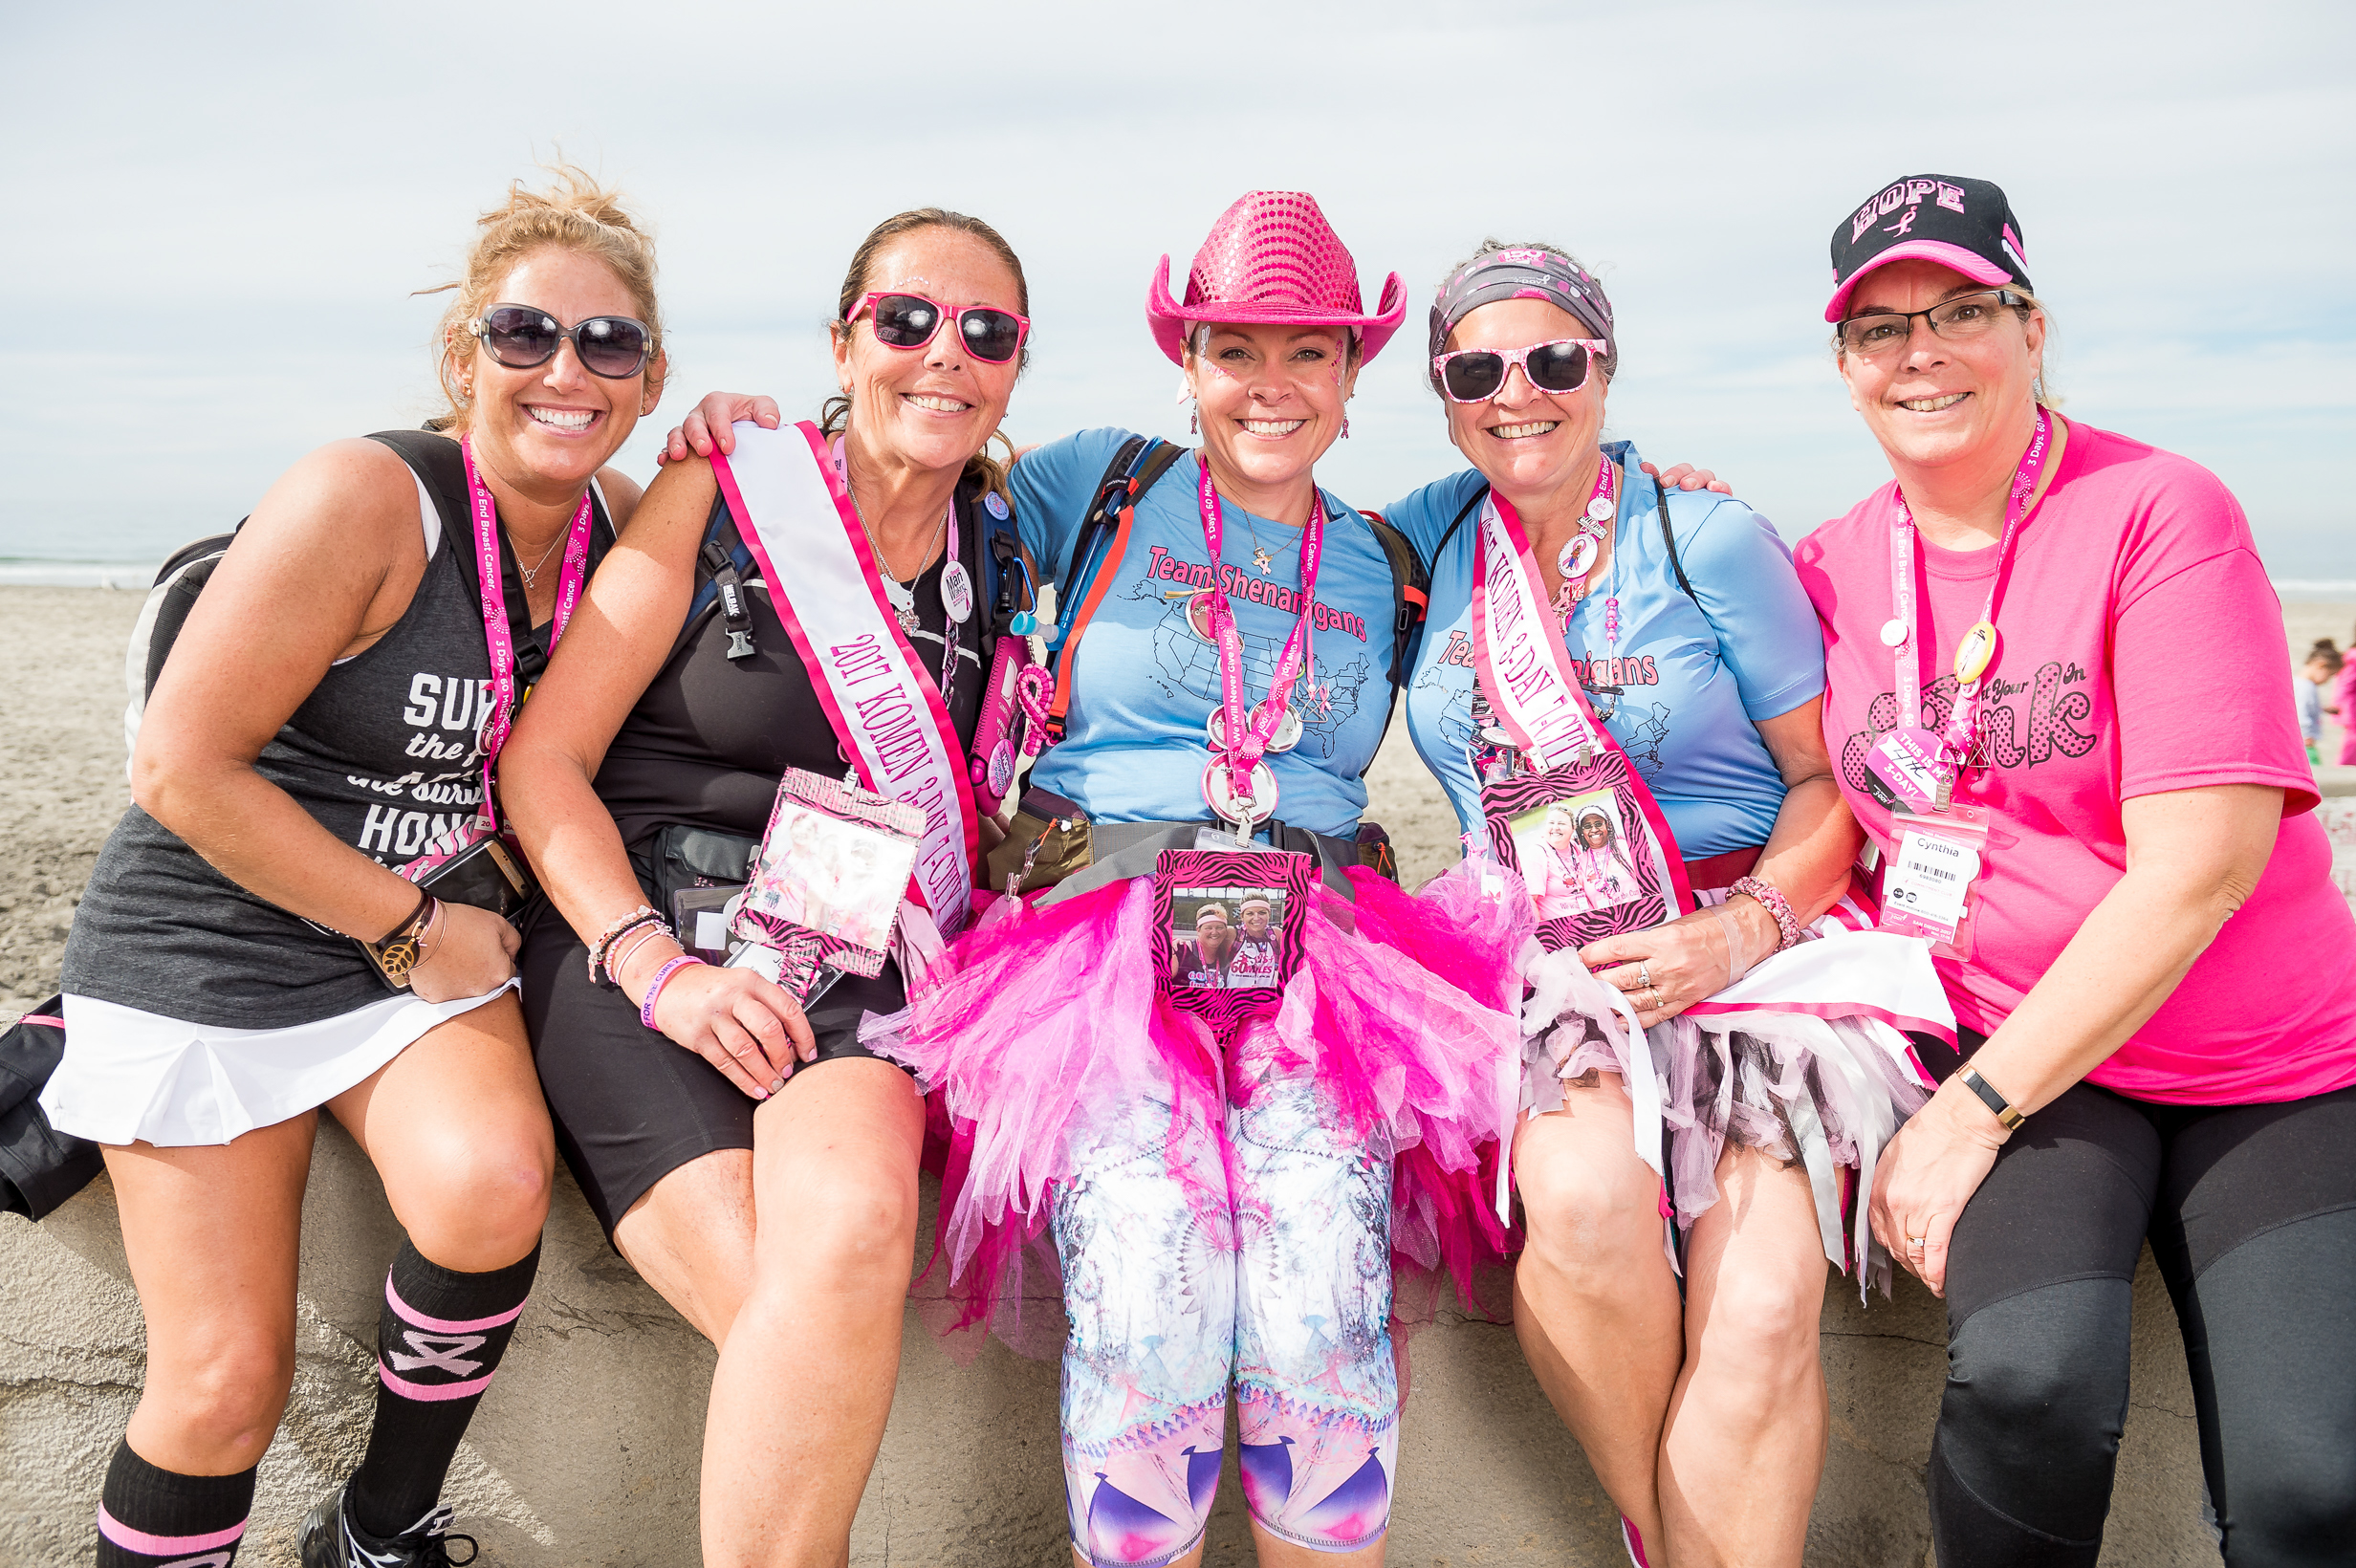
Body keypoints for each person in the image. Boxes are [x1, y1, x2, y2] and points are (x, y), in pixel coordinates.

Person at [786, 190, 1523, 1568]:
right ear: (1186, 363)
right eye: (1234, 349)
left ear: (1352, 377)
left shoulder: (1398, 552)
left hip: (1328, 959)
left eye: (1308, 352)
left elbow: (1551, 494)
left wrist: (1671, 483)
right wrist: (743, 437)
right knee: (1147, 1275)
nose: (1270, 383)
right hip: (1089, 949)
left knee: (1320, 1291)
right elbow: (890, 482)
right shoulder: (1096, 484)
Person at [40, 168, 663, 1568]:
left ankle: (379, 1533)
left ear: (650, 375)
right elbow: (179, 771)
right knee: (223, 1382)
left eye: (608, 343)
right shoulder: (368, 495)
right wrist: (407, 927)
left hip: (412, 953)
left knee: (492, 1185)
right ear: (463, 356)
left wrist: (755, 432)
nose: (568, 371)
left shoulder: (619, 519)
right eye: (525, 334)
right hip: (218, 935)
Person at [1795, 172, 2356, 1566]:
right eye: (1880, 327)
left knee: (2311, 1487)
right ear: (1844, 367)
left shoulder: (2159, 509)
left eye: (1961, 310)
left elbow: (2199, 869)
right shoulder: (1823, 566)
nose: (1920, 352)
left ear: (2031, 329)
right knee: (2027, 1387)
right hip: (2028, 1050)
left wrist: (1968, 1114)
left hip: (2261, 1062)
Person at [1383, 240, 1946, 1567]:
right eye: (1476, 372)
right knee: (1581, 1214)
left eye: (1553, 360)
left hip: (1753, 960)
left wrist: (1738, 929)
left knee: (1761, 1304)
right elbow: (1257, 524)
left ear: (1605, 367)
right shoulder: (1416, 543)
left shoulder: (1708, 537)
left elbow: (1828, 782)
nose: (1518, 394)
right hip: (1547, 975)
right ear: (1444, 395)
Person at [498, 207, 1026, 1567]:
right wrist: (655, 968)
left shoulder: (1005, 542)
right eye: (906, 320)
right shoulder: (728, 489)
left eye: (987, 332)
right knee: (792, 1330)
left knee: (848, 1237)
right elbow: (542, 765)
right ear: (845, 343)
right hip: (636, 941)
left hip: (848, 960)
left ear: (1016, 367)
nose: (945, 353)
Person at [1173, 903, 1238, 988]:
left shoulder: (1228, 955)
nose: (1214, 932)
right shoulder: (1180, 951)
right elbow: (1160, 986)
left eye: (1219, 928)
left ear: (1226, 930)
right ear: (1198, 930)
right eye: (1208, 928)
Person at [2299, 639, 2342, 763]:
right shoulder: (2304, 687)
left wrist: (2323, 709)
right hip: (2305, 742)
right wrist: (2306, 735)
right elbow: (2300, 711)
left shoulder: (2305, 685)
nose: (2327, 680)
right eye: (2329, 675)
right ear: (2320, 665)